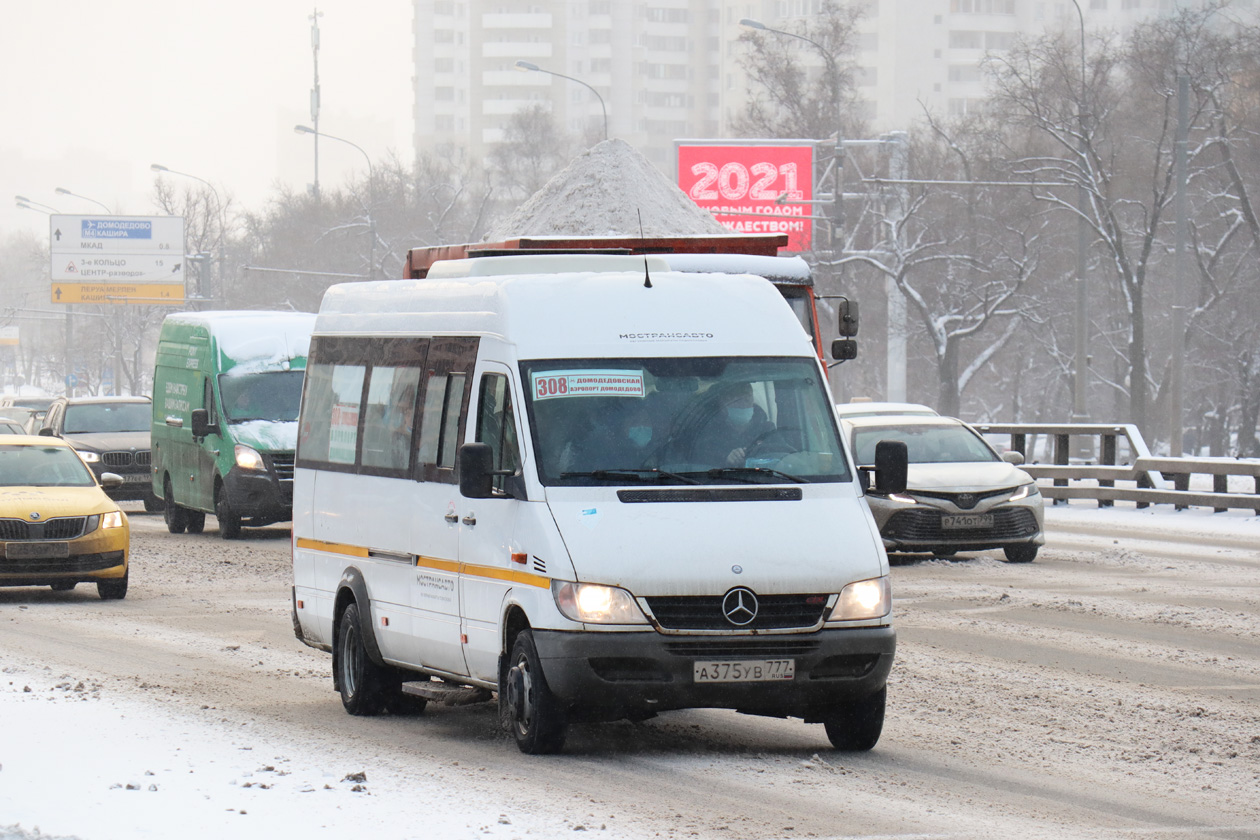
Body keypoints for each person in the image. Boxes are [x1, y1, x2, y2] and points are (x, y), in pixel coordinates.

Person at [694, 383, 773, 468]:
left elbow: (780, 457)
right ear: (722, 404)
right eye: (737, 400)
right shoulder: (707, 434)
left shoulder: (767, 430)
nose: (743, 405)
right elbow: (698, 467)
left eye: (747, 399)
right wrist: (725, 460)